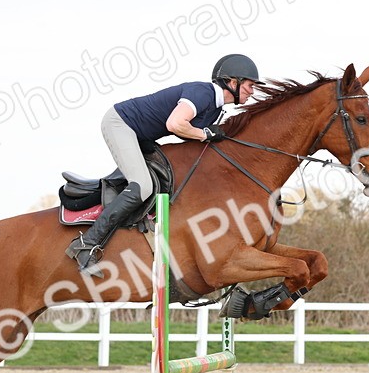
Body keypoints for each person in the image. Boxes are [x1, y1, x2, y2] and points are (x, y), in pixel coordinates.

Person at [65, 53, 264, 277]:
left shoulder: (216, 108)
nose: (252, 91)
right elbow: (176, 123)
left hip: (142, 136)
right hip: (121, 124)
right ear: (233, 83)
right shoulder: (204, 93)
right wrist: (204, 133)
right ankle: (86, 244)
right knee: (143, 186)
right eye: (250, 85)